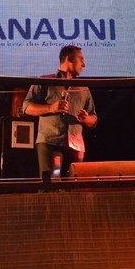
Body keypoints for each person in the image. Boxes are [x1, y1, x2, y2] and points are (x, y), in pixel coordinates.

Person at [23, 45, 98, 182]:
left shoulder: (83, 87)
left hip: (76, 145)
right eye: (81, 59)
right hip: (50, 141)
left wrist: (86, 119)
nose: (84, 64)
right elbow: (27, 107)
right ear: (69, 59)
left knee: (74, 187)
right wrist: (51, 108)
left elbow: (94, 119)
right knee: (51, 184)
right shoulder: (45, 81)